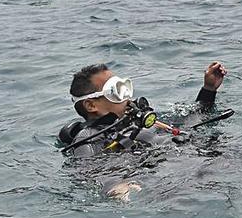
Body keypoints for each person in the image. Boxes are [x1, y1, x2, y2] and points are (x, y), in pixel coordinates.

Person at [58, 61, 228, 157]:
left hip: (195, 155)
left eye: (125, 88)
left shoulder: (139, 120)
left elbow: (196, 117)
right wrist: (116, 188)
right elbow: (88, 172)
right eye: (116, 91)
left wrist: (209, 89)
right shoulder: (89, 138)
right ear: (91, 105)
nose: (126, 97)